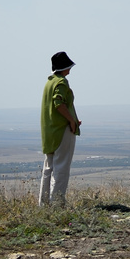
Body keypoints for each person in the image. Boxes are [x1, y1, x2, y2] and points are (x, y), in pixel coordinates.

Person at [39, 51, 80, 206]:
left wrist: (74, 119)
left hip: (49, 131)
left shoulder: (49, 81)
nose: (70, 69)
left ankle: (44, 205)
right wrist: (71, 121)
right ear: (65, 67)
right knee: (61, 167)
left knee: (48, 168)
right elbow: (59, 104)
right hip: (62, 131)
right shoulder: (61, 82)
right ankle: (57, 204)